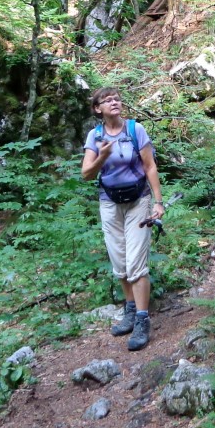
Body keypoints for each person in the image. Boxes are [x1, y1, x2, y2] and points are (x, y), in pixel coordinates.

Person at [81, 87, 164, 351]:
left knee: (136, 262)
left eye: (116, 99)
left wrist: (158, 202)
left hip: (139, 201)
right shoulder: (94, 136)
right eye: (107, 100)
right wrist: (102, 156)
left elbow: (150, 165)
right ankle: (129, 310)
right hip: (109, 203)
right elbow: (86, 173)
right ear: (98, 109)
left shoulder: (134, 130)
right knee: (119, 261)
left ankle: (142, 319)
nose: (114, 102)